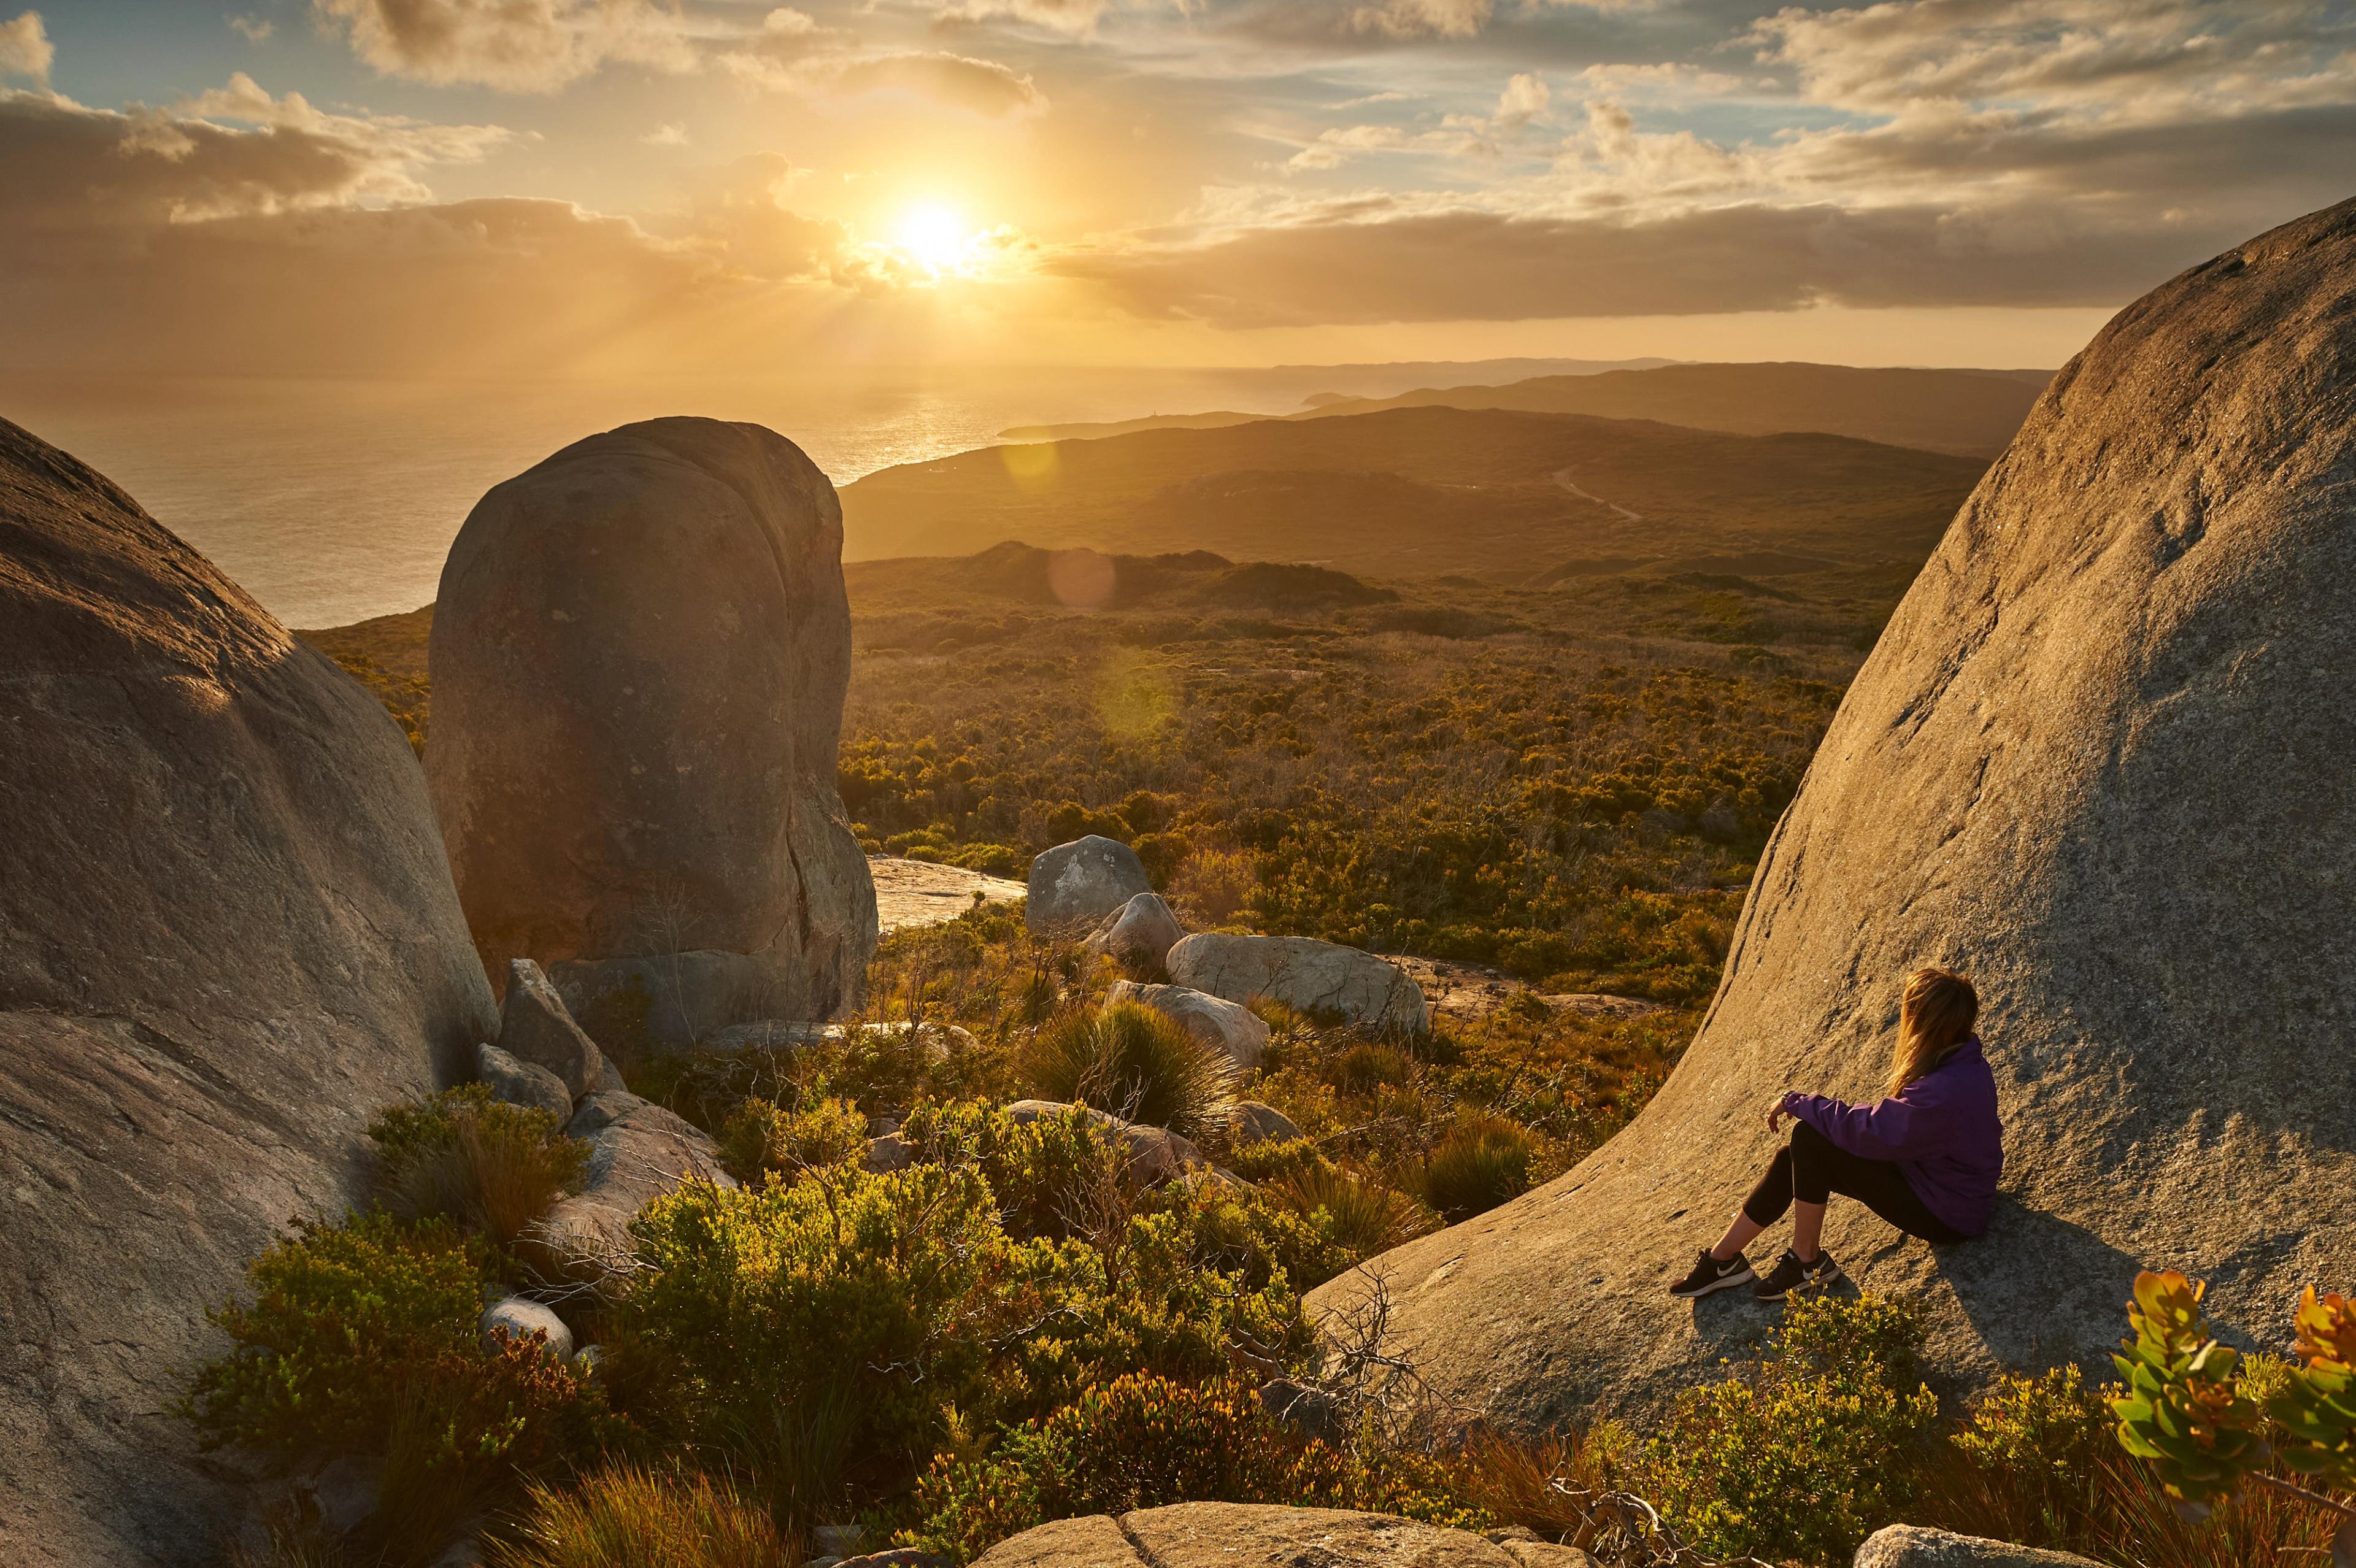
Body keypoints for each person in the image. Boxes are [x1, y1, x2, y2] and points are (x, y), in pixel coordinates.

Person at [1669, 967, 2003, 1302]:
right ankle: (1723, 1260)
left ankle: (1807, 1261)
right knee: (1795, 1156)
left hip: (1948, 1214)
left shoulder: (1943, 1091)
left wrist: (1797, 1102)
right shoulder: (1964, 1063)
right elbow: (1893, 1127)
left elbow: (1872, 1130)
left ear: (1923, 1023)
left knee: (1811, 1142)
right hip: (1937, 1182)